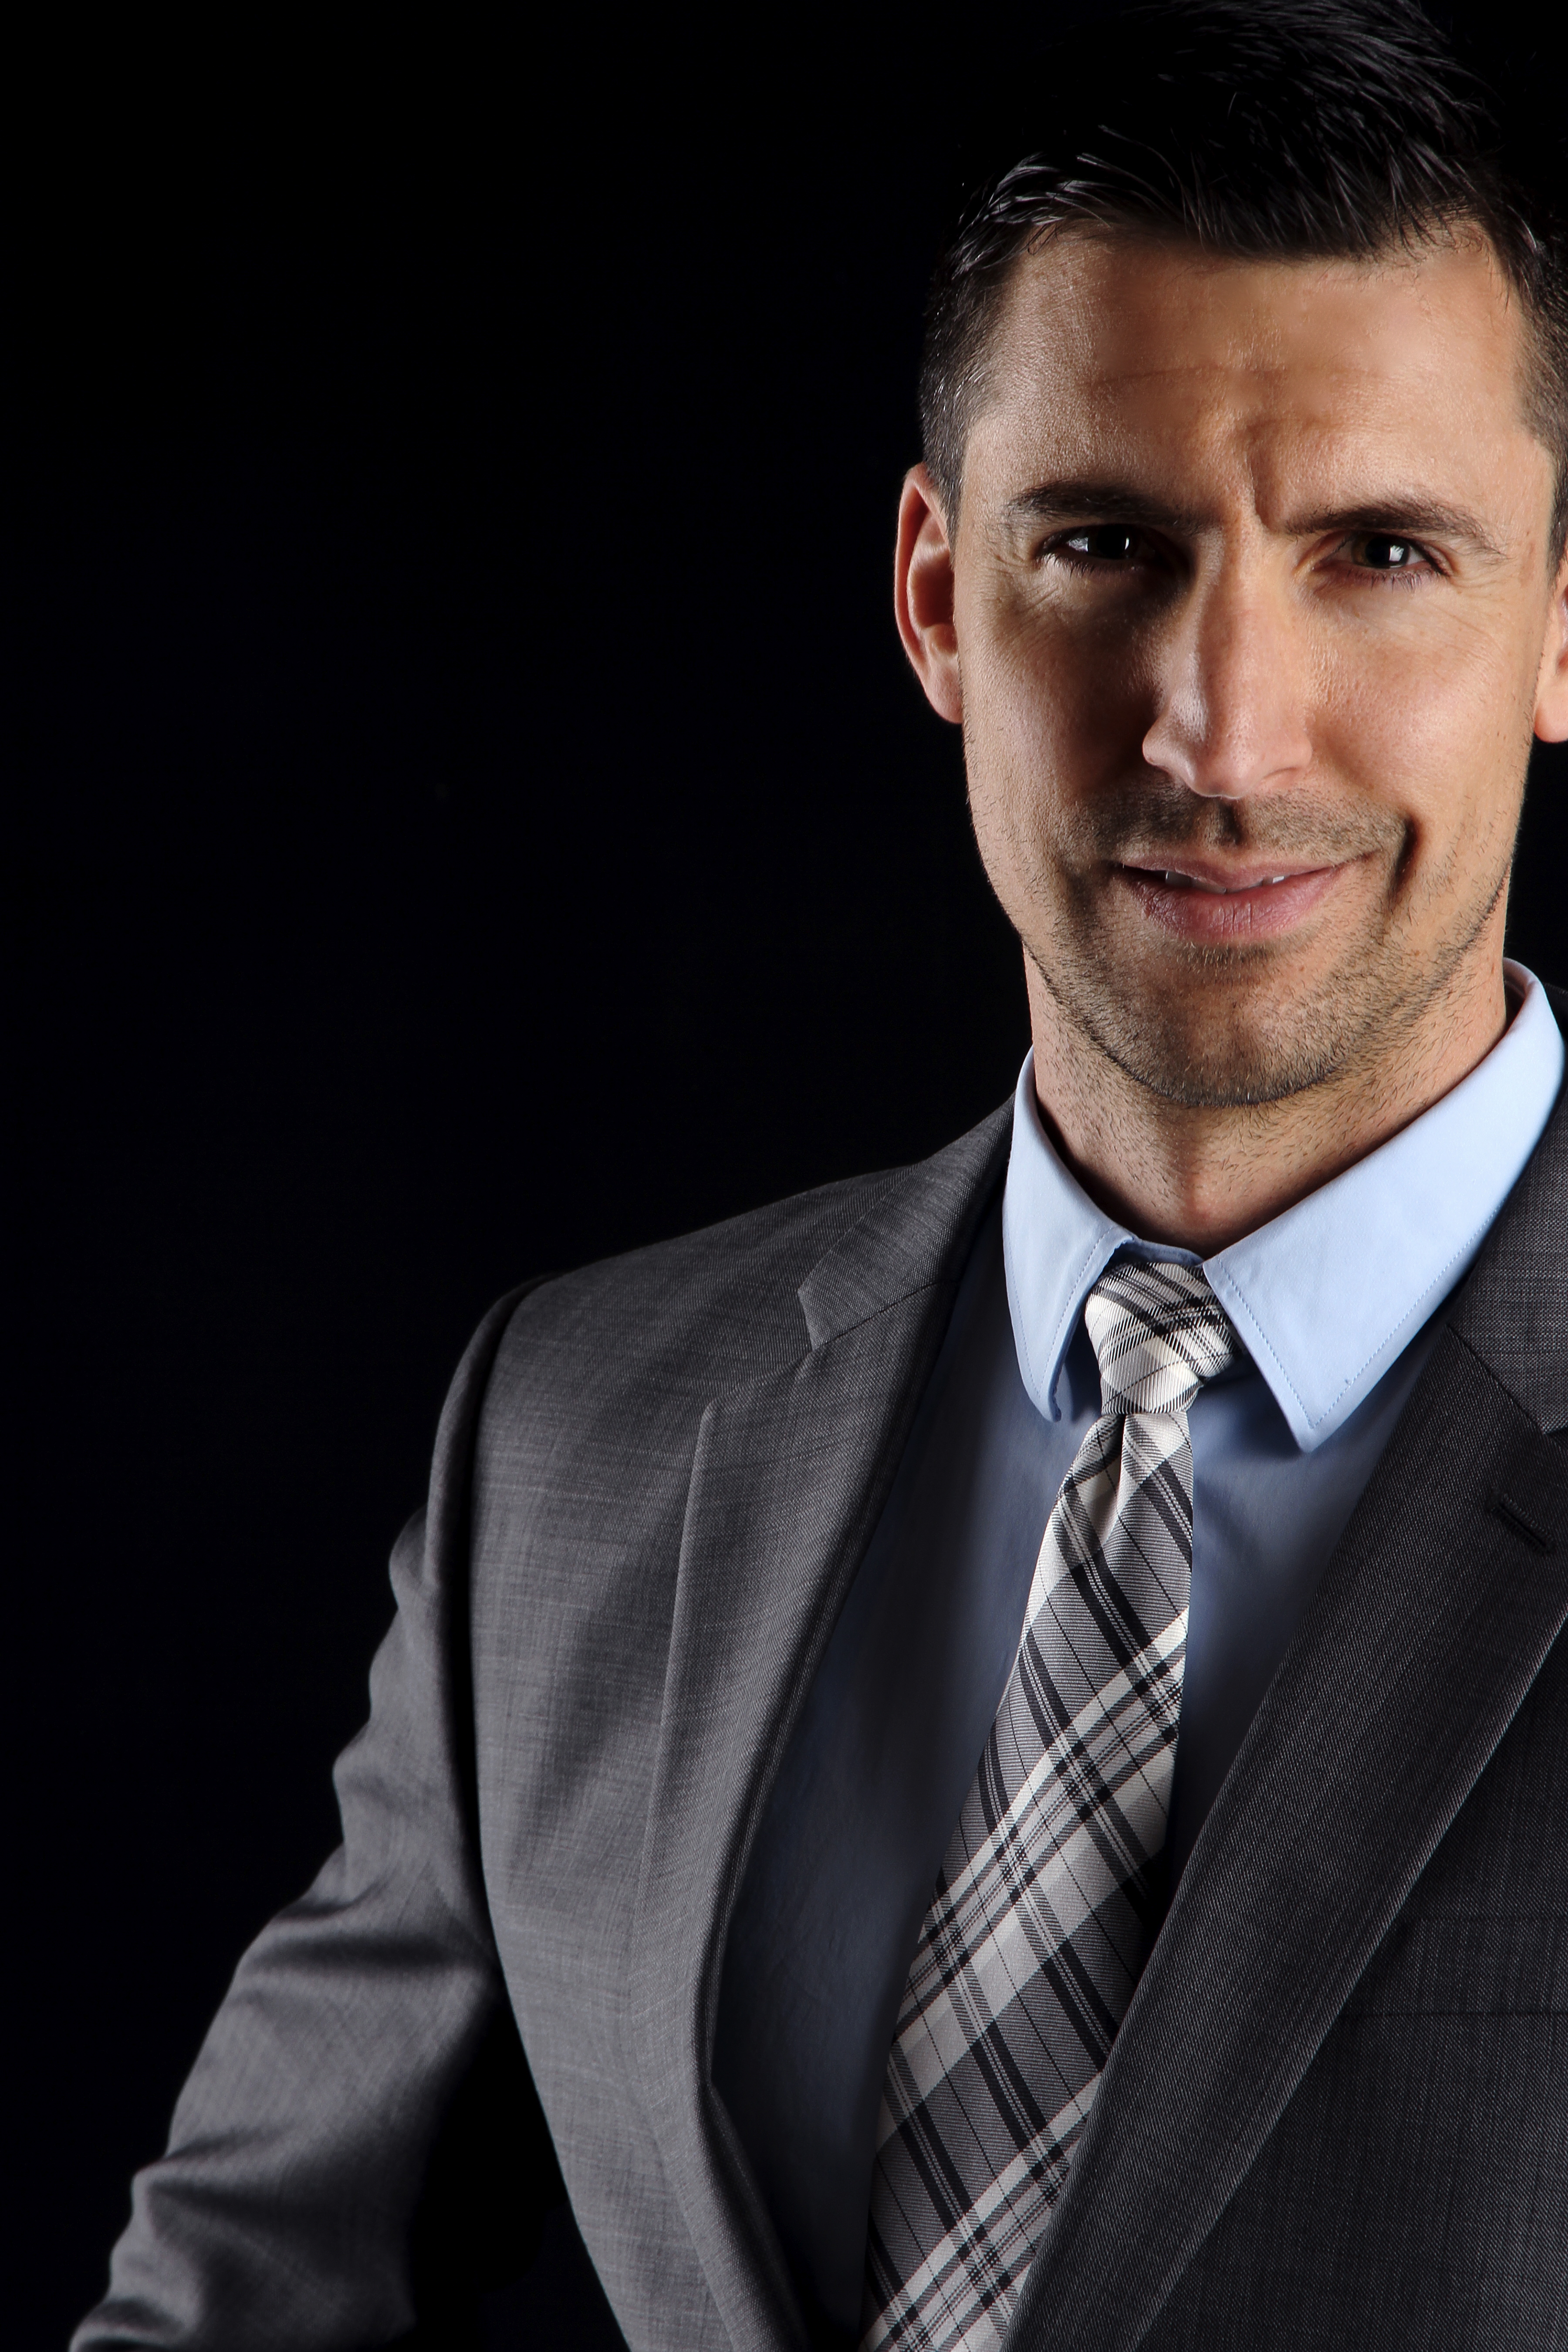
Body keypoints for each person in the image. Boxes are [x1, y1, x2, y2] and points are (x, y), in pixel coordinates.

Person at [76, 3, 1568, 2346]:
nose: (1222, 728)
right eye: (1105, 543)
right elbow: (242, 2297)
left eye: (1381, 552)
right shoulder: (575, 1437)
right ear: (938, 598)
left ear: (1560, 617)